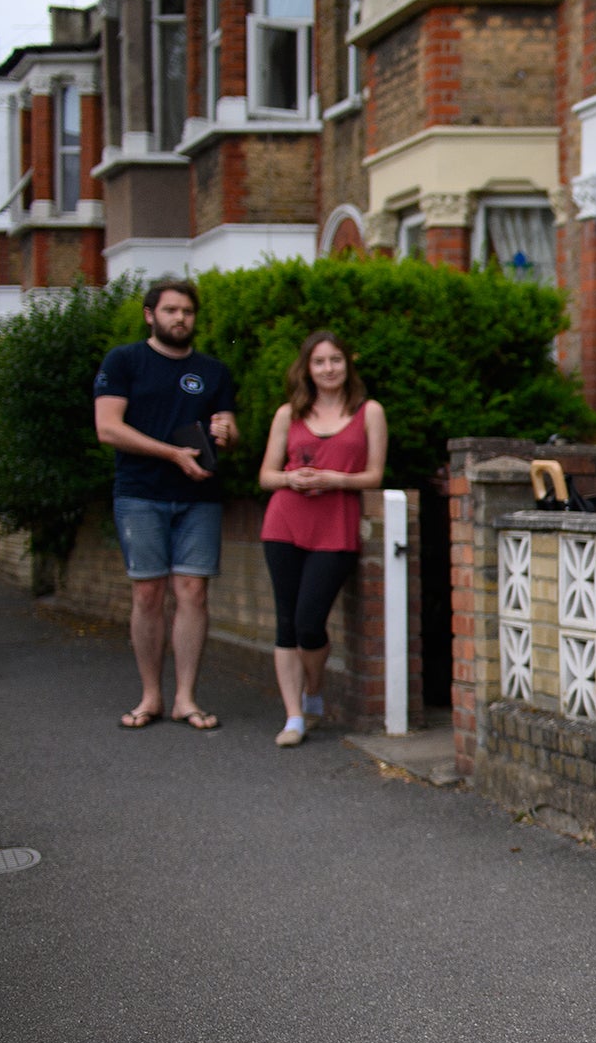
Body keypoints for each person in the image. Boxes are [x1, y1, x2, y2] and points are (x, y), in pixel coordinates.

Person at [92, 279, 239, 731]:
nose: (180, 318)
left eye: (188, 311)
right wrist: (171, 453)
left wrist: (226, 434)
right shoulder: (124, 361)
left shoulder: (214, 371)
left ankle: (186, 698)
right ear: (149, 315)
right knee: (148, 592)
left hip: (199, 498)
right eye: (171, 310)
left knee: (193, 592)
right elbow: (108, 428)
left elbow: (230, 430)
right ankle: (151, 695)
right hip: (140, 493)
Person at [257, 332, 388, 747]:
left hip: (335, 523)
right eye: (319, 362)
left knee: (310, 623)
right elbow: (266, 476)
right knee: (285, 622)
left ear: (347, 365)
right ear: (307, 369)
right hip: (285, 522)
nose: (328, 368)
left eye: (335, 360)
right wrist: (290, 478)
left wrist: (336, 479)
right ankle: (294, 716)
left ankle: (314, 689)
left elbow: (375, 476)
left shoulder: (369, 412)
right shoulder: (288, 414)